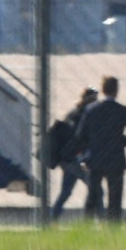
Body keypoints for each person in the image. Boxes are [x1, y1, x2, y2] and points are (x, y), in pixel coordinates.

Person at [75, 75, 126, 222]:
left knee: (93, 195)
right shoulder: (122, 110)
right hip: (115, 157)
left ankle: (86, 226)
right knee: (115, 197)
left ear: (103, 90)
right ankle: (113, 226)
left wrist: (88, 149)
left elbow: (80, 135)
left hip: (95, 157)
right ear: (116, 91)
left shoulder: (91, 110)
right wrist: (122, 141)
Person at [51, 86, 102, 221]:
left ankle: (51, 219)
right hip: (76, 159)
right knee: (97, 189)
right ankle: (102, 221)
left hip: (66, 159)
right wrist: (83, 158)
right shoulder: (84, 116)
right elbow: (79, 140)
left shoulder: (72, 113)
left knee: (65, 192)